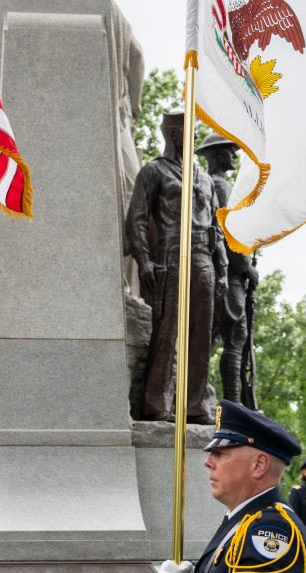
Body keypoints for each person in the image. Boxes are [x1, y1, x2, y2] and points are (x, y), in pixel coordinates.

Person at [155, 399, 306, 573]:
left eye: (220, 453)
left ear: (258, 465)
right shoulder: (244, 520)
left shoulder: (273, 529)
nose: (208, 462)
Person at [125, 111, 228, 423]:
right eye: (188, 133)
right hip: (171, 256)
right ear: (172, 134)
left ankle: (196, 405)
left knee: (201, 337)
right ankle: (157, 403)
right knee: (168, 331)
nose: (192, 140)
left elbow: (216, 225)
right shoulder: (154, 171)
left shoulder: (205, 178)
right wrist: (144, 260)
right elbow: (137, 219)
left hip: (203, 257)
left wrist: (221, 266)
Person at [197, 133, 258, 406]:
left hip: (212, 272)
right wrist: (246, 269)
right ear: (219, 155)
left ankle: (198, 395)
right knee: (235, 336)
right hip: (228, 274)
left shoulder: (206, 183)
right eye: (230, 152)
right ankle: (233, 405)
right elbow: (229, 233)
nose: (234, 157)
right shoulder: (221, 186)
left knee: (208, 337)